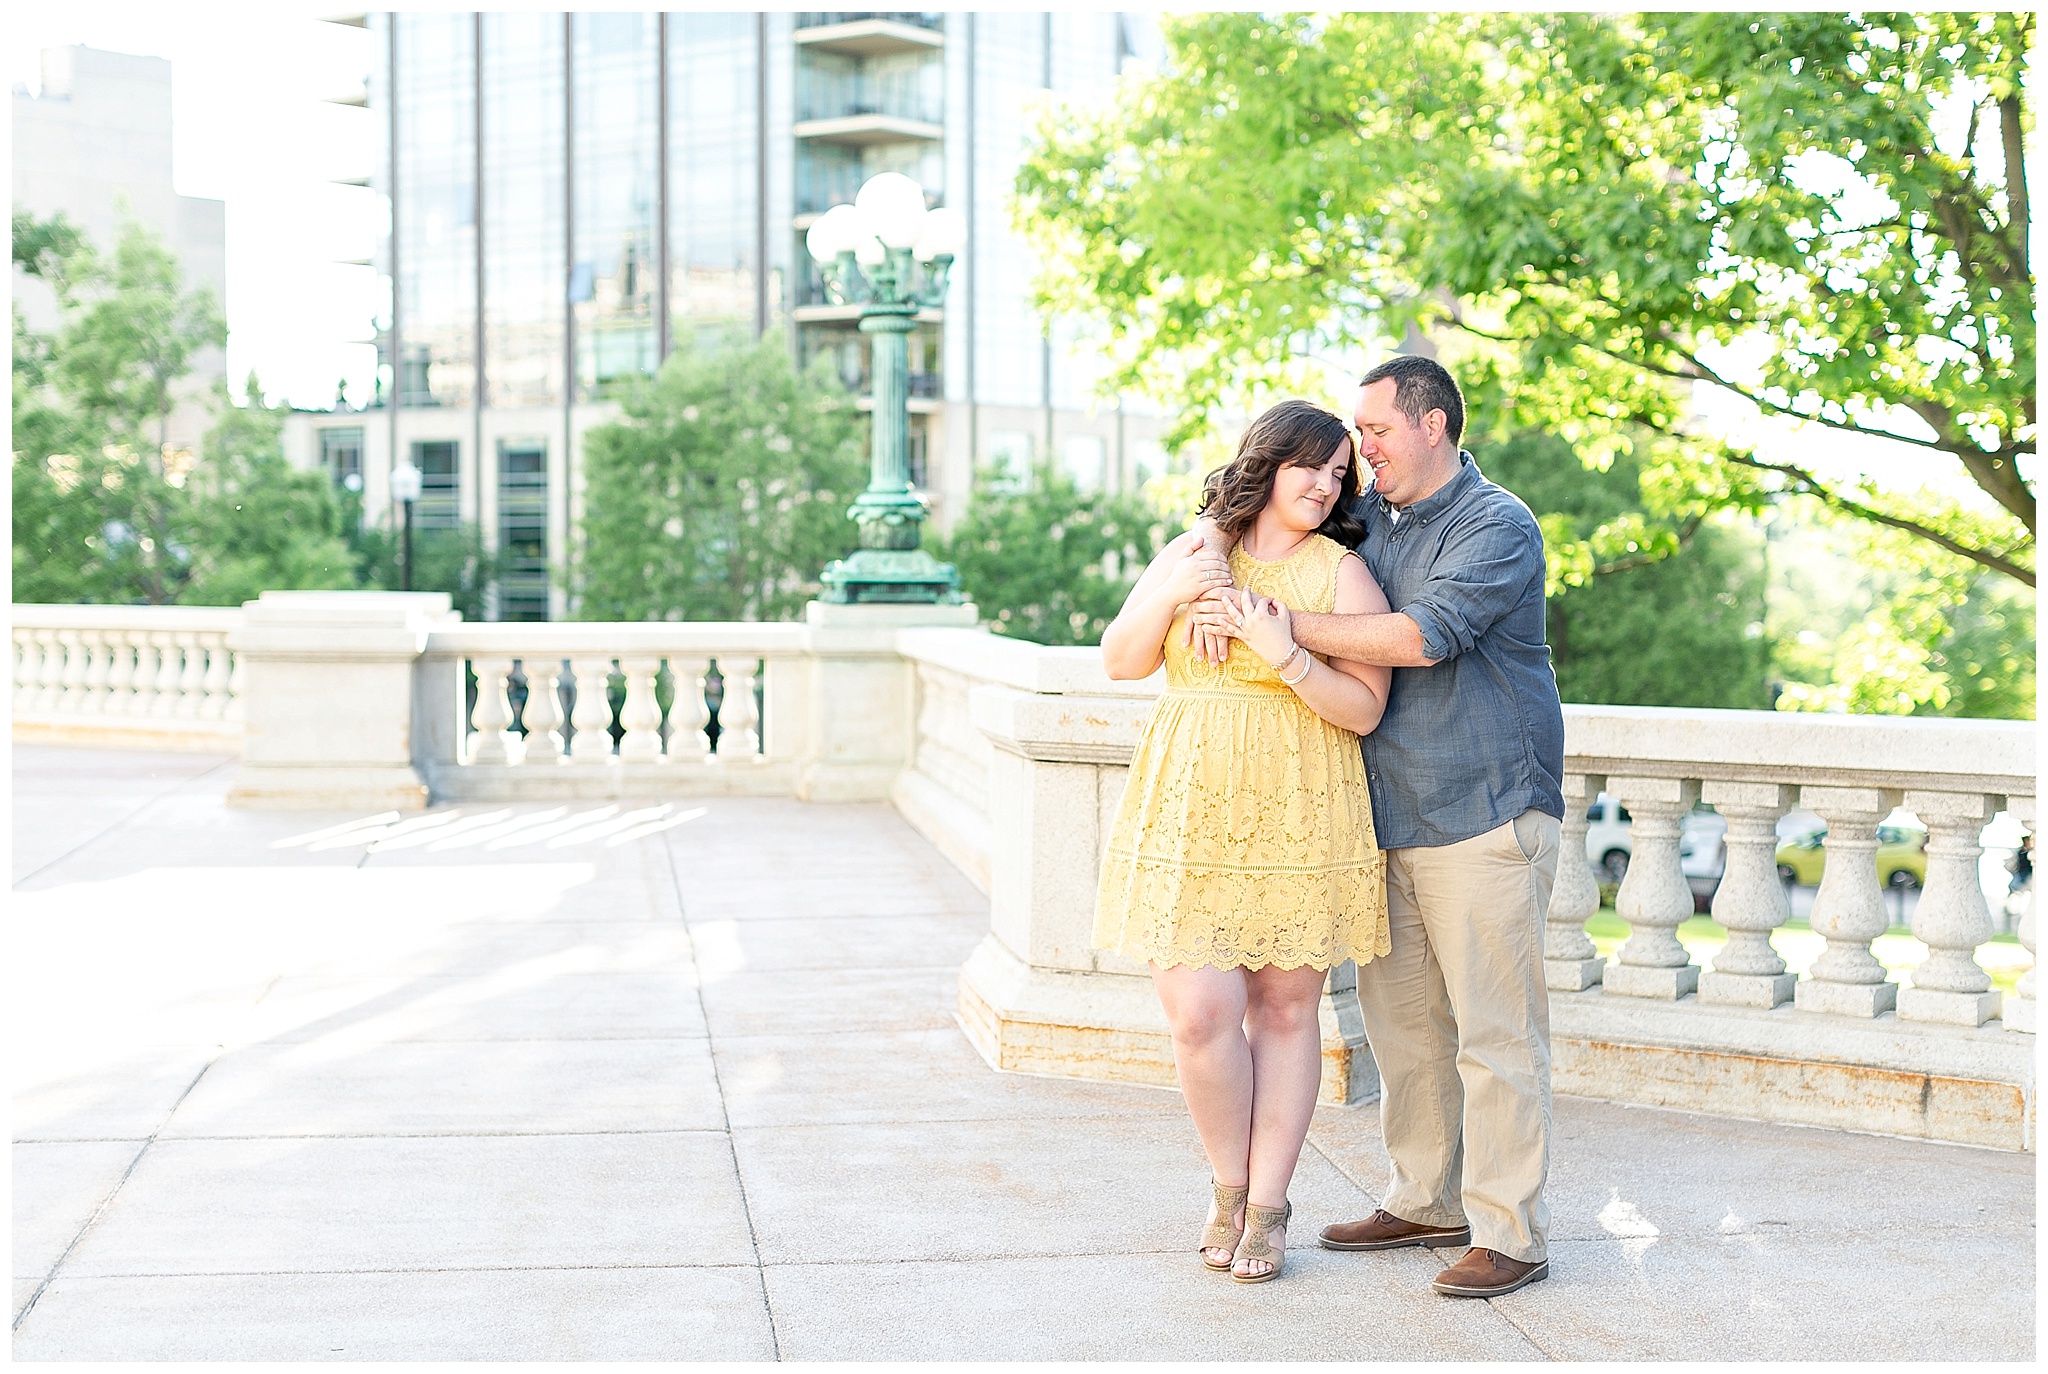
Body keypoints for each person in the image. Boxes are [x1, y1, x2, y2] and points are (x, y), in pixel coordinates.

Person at [1190, 355, 1565, 1300]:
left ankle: (1510, 1232)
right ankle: (1425, 1198)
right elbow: (1245, 517)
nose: (1362, 450)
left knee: (1496, 1034)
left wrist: (1271, 625)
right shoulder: (1374, 525)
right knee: (1406, 1034)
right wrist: (1210, 557)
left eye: (1378, 430)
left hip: (1484, 810)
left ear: (1433, 425)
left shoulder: (1496, 525)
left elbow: (1419, 638)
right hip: (1386, 818)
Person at [1094, 399, 1394, 1284]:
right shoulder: (1194, 554)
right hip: (1189, 809)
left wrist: (1281, 646)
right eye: (1312, 465)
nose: (1325, 484)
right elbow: (1119, 658)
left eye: (1340, 473)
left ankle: (1267, 1205)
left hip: (1299, 805)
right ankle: (1227, 1185)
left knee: (1286, 1010)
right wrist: (1182, 587)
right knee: (1199, 1017)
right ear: (1268, 464)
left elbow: (1366, 709)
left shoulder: (1340, 574)